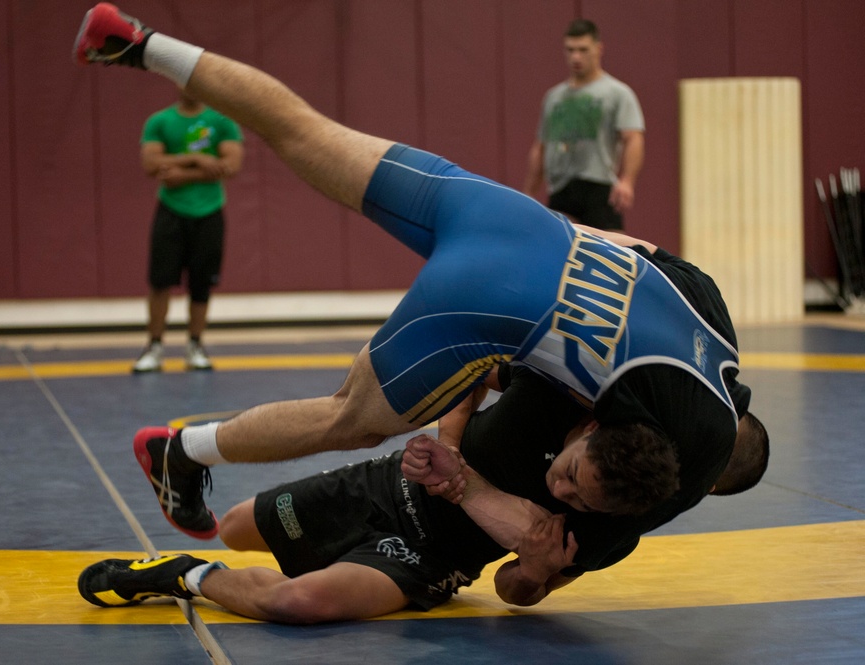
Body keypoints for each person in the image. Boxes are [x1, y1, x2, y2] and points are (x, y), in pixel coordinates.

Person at [74, 4, 762, 549]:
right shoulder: (673, 463)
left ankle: (136, 42)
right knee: (351, 418)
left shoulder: (714, 316)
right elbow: (549, 554)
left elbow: (630, 243)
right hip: (494, 298)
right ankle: (182, 454)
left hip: (510, 217)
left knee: (302, 129)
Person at [77, 368, 767, 623]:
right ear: (589, 427)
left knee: (298, 601)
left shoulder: (612, 522)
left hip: (426, 555)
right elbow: (468, 372)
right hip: (387, 485)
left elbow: (515, 594)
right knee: (232, 525)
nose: (561, 491)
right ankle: (222, 531)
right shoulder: (559, 392)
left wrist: (532, 570)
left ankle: (179, 576)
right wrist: (451, 442)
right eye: (566, 474)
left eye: (576, 499)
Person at [131, 87, 244, 373]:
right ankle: (154, 347)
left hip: (209, 211)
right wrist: (196, 160)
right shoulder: (160, 121)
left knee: (201, 283)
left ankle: (195, 345)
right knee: (160, 282)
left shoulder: (221, 122)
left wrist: (181, 173)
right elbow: (150, 163)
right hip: (170, 211)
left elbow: (231, 164)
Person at [520, 19, 644, 231]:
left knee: (611, 254)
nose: (576, 57)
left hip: (599, 186)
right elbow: (541, 146)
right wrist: (528, 194)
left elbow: (633, 137)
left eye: (583, 50)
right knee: (561, 252)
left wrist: (627, 181)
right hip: (561, 188)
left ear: (598, 49)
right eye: (570, 50)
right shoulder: (554, 97)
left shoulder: (617, 93)